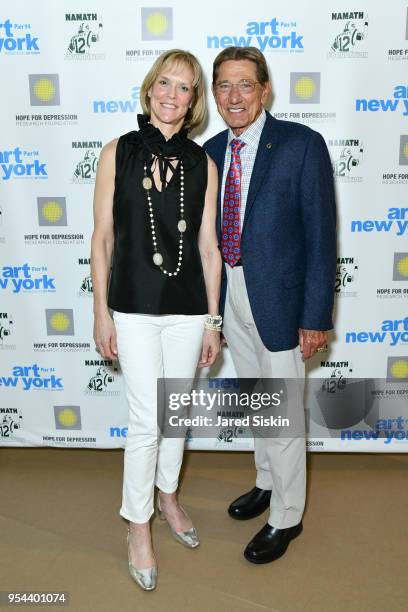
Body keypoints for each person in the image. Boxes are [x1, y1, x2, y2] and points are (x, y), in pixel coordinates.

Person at [91, 49, 221, 590]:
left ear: (194, 102)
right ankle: (137, 523)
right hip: (135, 307)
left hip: (189, 309)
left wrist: (213, 321)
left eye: (185, 87)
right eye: (164, 82)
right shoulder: (116, 152)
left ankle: (167, 495)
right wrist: (101, 313)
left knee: (175, 414)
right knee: (148, 420)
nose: (172, 93)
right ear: (149, 91)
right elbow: (101, 240)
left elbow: (208, 247)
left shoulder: (202, 163)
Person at [204, 47, 336, 564]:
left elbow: (321, 237)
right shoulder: (211, 150)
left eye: (244, 85)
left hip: (281, 302)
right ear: (214, 94)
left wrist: (314, 315)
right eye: (224, 86)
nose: (234, 96)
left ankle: (287, 516)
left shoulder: (302, 145)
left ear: (264, 90)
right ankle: (264, 482)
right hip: (230, 293)